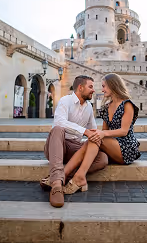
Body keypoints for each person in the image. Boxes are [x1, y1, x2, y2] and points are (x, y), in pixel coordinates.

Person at [63, 73, 141, 195]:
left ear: (113, 86)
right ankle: (66, 175)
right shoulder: (106, 108)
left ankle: (73, 176)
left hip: (126, 148)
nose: (102, 89)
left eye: (104, 86)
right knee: (94, 138)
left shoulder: (127, 104)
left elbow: (124, 131)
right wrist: (98, 133)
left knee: (97, 137)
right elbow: (104, 132)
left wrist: (102, 134)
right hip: (111, 147)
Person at [41, 75, 108, 208]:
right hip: (58, 144)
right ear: (80, 87)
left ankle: (61, 174)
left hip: (75, 149)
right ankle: (56, 185)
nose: (93, 90)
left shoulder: (89, 107)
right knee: (58, 129)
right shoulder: (65, 101)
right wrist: (84, 132)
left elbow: (93, 130)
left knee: (102, 158)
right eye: (90, 87)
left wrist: (96, 135)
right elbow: (59, 122)